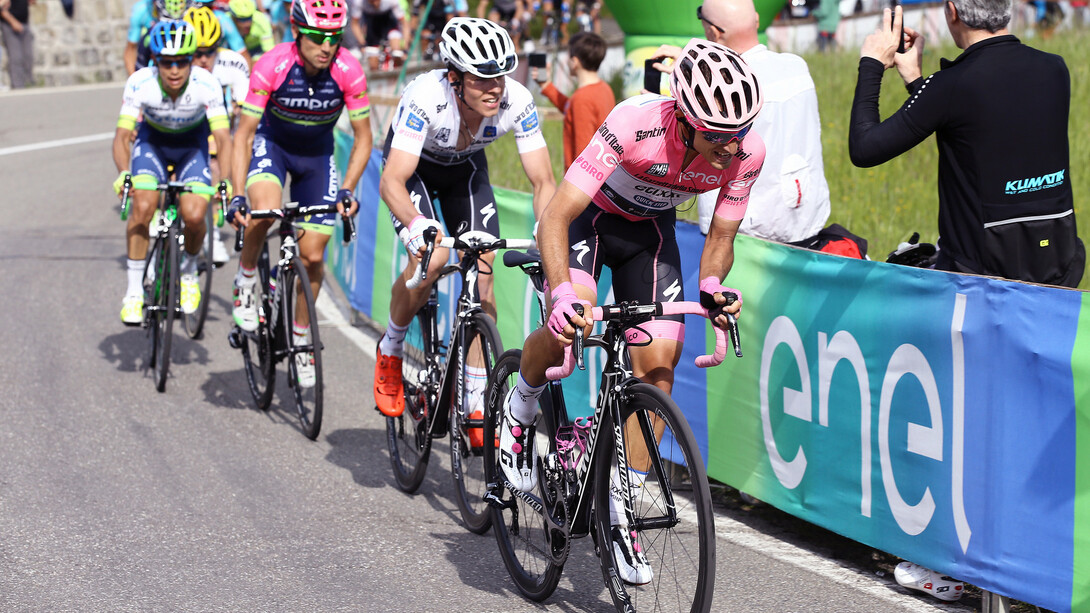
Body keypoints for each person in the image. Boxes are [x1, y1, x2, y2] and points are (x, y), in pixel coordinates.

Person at [499, 38, 761, 586]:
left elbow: (720, 235)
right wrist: (563, 293)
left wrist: (713, 283)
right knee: (573, 316)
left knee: (660, 368)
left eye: (739, 133)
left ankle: (621, 509)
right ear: (685, 120)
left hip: (651, 236)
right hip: (589, 222)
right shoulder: (635, 122)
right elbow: (555, 216)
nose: (730, 146)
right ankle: (520, 406)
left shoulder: (745, 152)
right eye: (718, 135)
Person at [372, 17, 556, 420]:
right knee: (433, 258)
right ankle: (391, 348)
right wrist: (419, 225)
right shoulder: (426, 96)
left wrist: (547, 235)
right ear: (454, 78)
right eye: (481, 79)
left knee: (484, 272)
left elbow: (543, 181)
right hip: (413, 169)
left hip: (466, 171)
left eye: (501, 77)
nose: (495, 88)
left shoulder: (517, 100)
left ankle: (473, 394)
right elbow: (392, 181)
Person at [849, 0, 1083, 287]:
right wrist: (916, 82)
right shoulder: (1054, 68)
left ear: (952, 11)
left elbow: (864, 147)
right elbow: (975, 127)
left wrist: (871, 63)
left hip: (981, 281)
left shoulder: (951, 84)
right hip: (1055, 266)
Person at [228, 0, 372, 388]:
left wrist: (347, 189)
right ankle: (244, 281)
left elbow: (363, 139)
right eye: (317, 37)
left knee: (311, 257)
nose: (326, 46)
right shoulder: (272, 65)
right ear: (297, 33)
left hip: (316, 156)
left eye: (334, 38)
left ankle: (303, 337)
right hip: (271, 146)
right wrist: (236, 193)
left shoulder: (348, 70)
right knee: (266, 211)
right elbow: (242, 136)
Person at [655, 0, 831, 244]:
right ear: (756, 20)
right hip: (807, 218)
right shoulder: (796, 65)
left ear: (713, 31)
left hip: (742, 228)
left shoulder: (724, 89)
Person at [112, 20, 234, 324]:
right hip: (153, 145)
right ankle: (134, 292)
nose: (175, 70)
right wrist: (124, 172)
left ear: (192, 59)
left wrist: (226, 181)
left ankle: (189, 271)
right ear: (156, 61)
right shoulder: (140, 82)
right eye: (167, 62)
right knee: (143, 205)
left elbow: (223, 137)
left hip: (192, 148)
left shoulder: (207, 83)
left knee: (194, 215)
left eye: (182, 61)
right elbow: (122, 135)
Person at [186, 4, 250, 265]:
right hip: (187, 131)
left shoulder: (233, 63)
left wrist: (239, 106)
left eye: (209, 52)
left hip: (220, 131)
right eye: (197, 53)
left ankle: (211, 233)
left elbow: (246, 116)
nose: (203, 60)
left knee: (219, 167)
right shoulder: (177, 68)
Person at [531, 31, 615, 171]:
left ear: (575, 62)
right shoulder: (604, 89)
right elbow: (571, 109)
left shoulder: (582, 99)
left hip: (582, 181)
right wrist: (546, 85)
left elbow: (583, 155)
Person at [350, 0, 408, 71]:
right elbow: (354, 24)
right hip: (372, 28)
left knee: (397, 53)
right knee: (373, 65)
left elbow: (405, 24)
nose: (375, 3)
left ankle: (397, 77)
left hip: (390, 25)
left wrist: (405, 48)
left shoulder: (392, 1)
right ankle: (378, 80)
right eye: (371, 1)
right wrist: (362, 43)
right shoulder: (359, 2)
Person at [0, 0, 33, 88]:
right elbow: (1, 7)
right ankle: (18, 86)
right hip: (9, 24)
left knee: (28, 56)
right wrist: (12, 21)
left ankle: (28, 83)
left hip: (24, 22)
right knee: (16, 57)